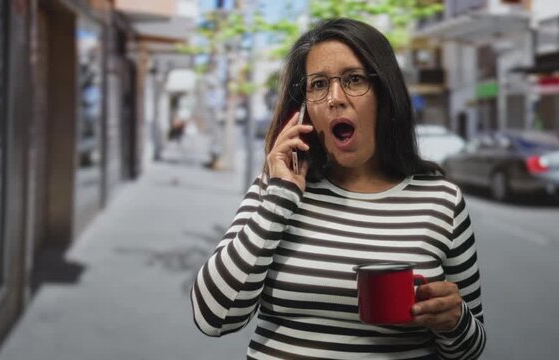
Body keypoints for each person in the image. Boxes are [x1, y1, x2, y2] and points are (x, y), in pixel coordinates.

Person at [191, 18, 486, 359]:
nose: (334, 98)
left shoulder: (442, 202)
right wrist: (281, 197)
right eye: (318, 85)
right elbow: (213, 317)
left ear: (385, 95)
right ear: (305, 110)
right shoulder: (274, 191)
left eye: (354, 79)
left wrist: (454, 321)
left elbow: (470, 349)